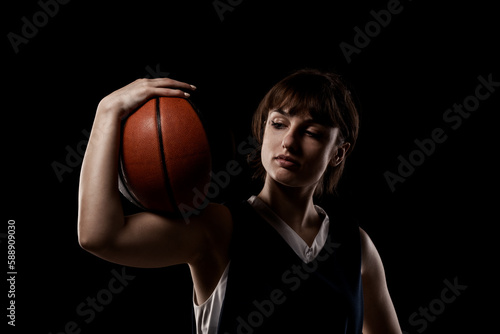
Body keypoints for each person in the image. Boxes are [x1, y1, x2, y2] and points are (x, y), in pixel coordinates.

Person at [78, 69, 402, 334]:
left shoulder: (354, 244)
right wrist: (107, 112)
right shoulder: (218, 228)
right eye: (279, 123)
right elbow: (99, 236)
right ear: (263, 130)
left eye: (312, 132)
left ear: (339, 152)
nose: (289, 141)